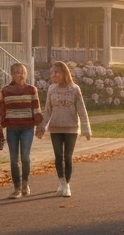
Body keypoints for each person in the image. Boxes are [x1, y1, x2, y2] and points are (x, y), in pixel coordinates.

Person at [36, 61, 91, 197]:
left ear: (64, 73)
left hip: (71, 128)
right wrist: (42, 127)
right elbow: (48, 110)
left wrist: (86, 130)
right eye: (52, 72)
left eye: (56, 72)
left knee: (68, 156)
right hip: (55, 128)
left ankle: (67, 184)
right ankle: (62, 182)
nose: (53, 74)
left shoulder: (74, 89)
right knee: (58, 156)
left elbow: (82, 110)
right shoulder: (51, 89)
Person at [0, 62, 42, 199]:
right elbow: (1, 109)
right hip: (12, 128)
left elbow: (36, 108)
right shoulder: (5, 90)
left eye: (23, 72)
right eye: (17, 72)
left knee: (25, 158)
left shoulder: (31, 89)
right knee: (13, 159)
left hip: (27, 128)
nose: (20, 75)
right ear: (12, 74)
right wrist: (1, 125)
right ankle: (16, 188)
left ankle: (25, 184)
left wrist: (39, 125)